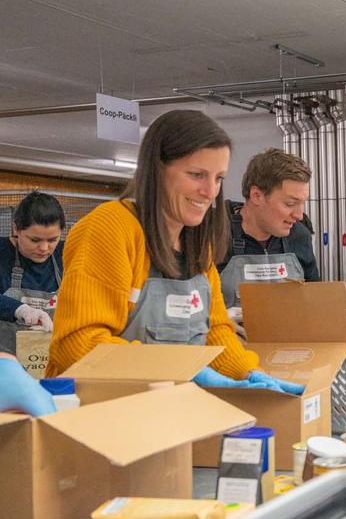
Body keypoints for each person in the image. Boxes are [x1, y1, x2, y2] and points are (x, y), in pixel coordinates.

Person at [46, 110, 302, 395]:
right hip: (103, 414)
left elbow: (215, 330)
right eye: (196, 175)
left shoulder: (196, 240)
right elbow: (78, 344)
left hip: (169, 409)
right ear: (156, 170)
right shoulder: (111, 228)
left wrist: (249, 372)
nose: (209, 191)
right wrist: (179, 372)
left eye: (218, 178)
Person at [217, 148, 320, 310]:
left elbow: (315, 302)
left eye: (302, 203)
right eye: (290, 204)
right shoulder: (214, 235)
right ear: (257, 195)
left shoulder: (299, 236)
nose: (299, 215)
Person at [0, 191, 65, 353]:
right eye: (34, 240)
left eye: (52, 240)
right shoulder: (2, 253)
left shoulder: (66, 255)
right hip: (5, 361)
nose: (44, 248)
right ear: (16, 228)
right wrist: (19, 309)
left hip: (49, 357)